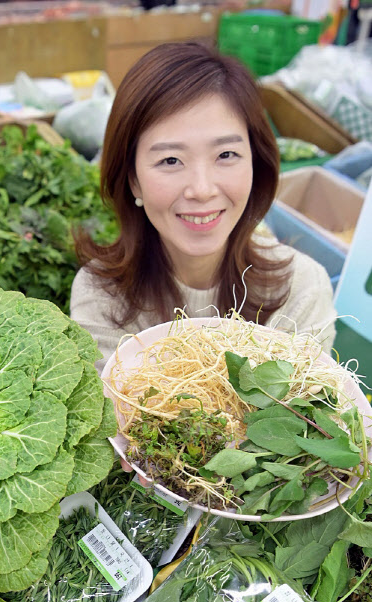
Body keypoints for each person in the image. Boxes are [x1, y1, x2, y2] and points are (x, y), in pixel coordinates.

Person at [70, 41, 336, 371]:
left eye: (226, 155)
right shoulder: (101, 297)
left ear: (256, 163)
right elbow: (116, 417)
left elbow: (307, 417)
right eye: (170, 160)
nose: (202, 189)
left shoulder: (301, 289)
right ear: (133, 180)